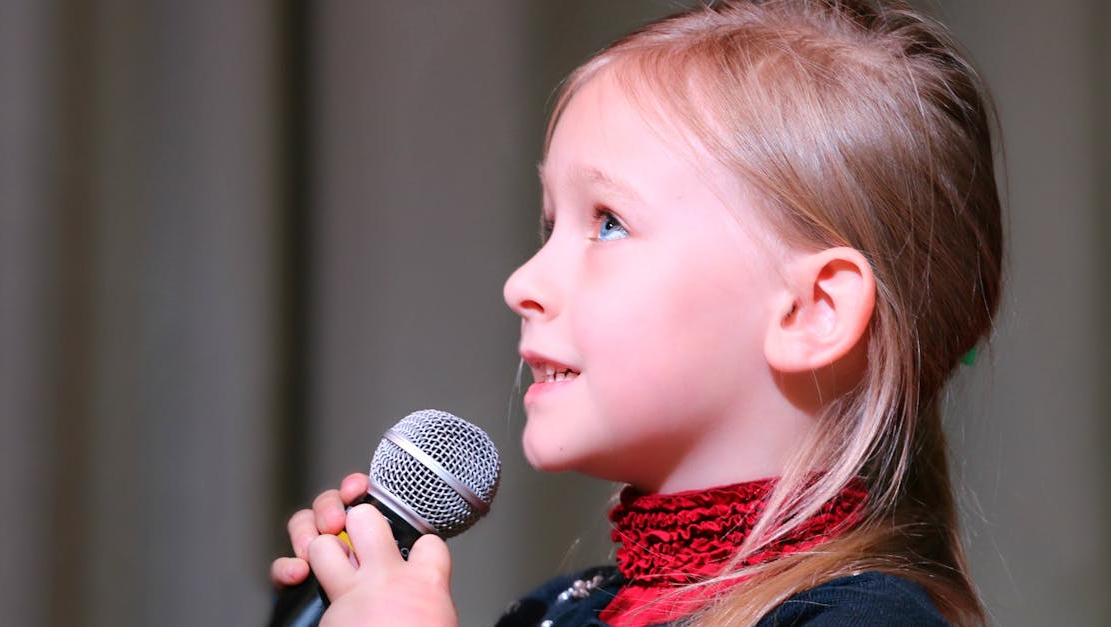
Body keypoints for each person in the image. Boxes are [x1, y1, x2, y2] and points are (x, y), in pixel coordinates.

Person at [271, 0, 1003, 625]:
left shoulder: (861, 618)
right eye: (548, 224)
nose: (521, 281)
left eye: (608, 222)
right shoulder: (557, 609)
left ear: (812, 310)